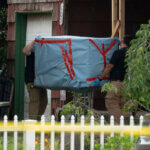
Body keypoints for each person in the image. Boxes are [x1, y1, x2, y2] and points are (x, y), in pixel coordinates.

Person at [99, 35, 133, 124]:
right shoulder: (134, 54)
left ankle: (117, 126)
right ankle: (123, 127)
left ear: (123, 43)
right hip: (128, 84)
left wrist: (100, 77)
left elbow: (110, 66)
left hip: (116, 83)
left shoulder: (118, 53)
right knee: (123, 104)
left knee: (112, 102)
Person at [23, 40, 48, 120]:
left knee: (44, 100)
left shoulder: (43, 53)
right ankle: (32, 124)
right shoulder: (32, 50)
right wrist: (34, 41)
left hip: (41, 80)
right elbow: (24, 51)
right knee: (35, 101)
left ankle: (37, 120)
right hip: (31, 80)